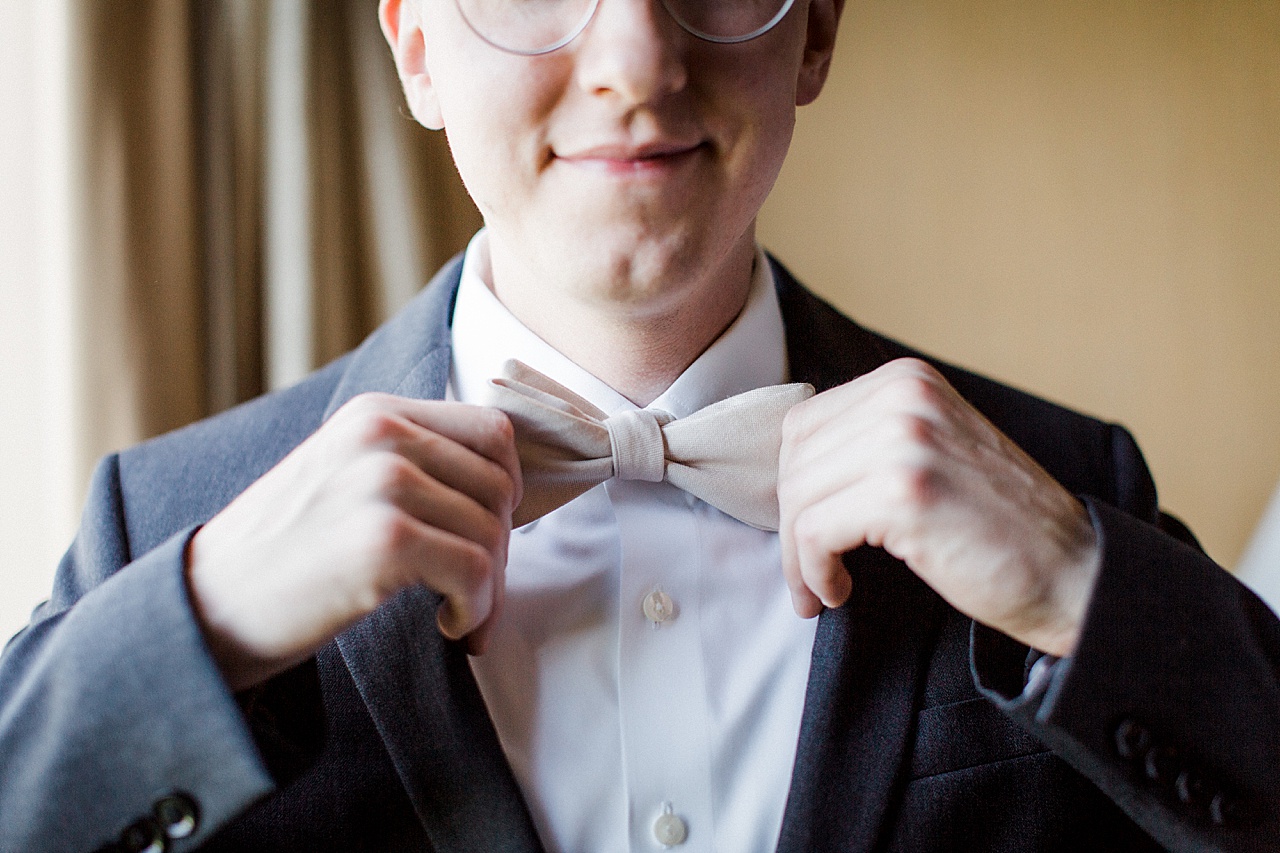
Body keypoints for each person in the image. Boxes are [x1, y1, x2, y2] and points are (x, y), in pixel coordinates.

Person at [1, 0, 1276, 849]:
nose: (637, 63)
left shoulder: (1070, 489)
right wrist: (205, 623)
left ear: (816, 30)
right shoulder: (167, 526)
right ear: (414, 47)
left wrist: (1074, 590)